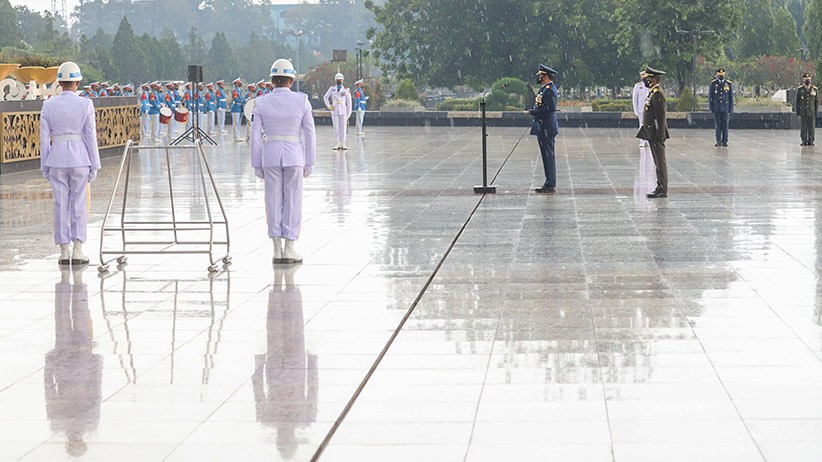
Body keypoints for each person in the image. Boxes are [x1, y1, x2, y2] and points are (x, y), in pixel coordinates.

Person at [250, 59, 316, 264]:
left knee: (272, 200)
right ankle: (290, 247)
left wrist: (257, 163)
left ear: (272, 80)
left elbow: (254, 135)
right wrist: (310, 161)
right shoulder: (302, 101)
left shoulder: (260, 102)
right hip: (294, 154)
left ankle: (276, 248)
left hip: (270, 154)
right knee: (293, 200)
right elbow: (310, 133)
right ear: (291, 79)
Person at [40, 62, 101, 265]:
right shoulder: (85, 104)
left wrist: (45, 165)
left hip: (56, 157)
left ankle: (63, 250)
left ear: (59, 82)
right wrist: (95, 164)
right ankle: (78, 248)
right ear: (76, 82)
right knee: (79, 203)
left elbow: (43, 138)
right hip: (80, 158)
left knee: (60, 203)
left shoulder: (48, 105)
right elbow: (90, 136)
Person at [636, 66, 670, 198]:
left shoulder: (657, 93)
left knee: (660, 162)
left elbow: (660, 116)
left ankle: (662, 188)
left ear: (653, 79)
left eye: (647, 78)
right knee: (657, 162)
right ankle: (659, 186)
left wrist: (660, 134)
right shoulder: (653, 92)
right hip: (652, 133)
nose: (645, 80)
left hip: (656, 134)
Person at [528, 64, 559, 194]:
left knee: (548, 156)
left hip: (546, 126)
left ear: (545, 76)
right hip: (542, 126)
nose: (539, 78)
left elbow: (550, 108)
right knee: (546, 156)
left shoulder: (549, 89)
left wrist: (536, 112)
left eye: (541, 76)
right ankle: (548, 181)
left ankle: (550, 183)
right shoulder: (544, 89)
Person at [323, 73, 352, 150]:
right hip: (335, 109)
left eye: (340, 79)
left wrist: (349, 112)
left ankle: (343, 143)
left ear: (343, 80)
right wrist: (329, 106)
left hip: (343, 110)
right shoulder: (332, 89)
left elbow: (349, 102)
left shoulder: (346, 90)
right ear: (335, 80)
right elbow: (325, 97)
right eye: (337, 79)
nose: (339, 81)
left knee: (343, 127)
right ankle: (337, 142)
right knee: (336, 126)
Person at [709, 68, 733, 147]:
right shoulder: (713, 84)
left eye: (722, 75)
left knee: (725, 125)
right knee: (718, 125)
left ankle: (725, 141)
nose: (721, 77)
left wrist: (730, 108)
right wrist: (711, 107)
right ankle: (718, 140)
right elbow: (711, 96)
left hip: (725, 107)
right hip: (717, 107)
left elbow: (730, 97)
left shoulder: (728, 83)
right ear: (717, 75)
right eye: (719, 75)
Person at [796, 72, 818, 146]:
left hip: (811, 111)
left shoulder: (814, 89)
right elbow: (797, 102)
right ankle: (804, 140)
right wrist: (798, 111)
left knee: (811, 127)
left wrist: (816, 111)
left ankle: (811, 140)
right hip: (803, 111)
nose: (807, 81)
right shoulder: (800, 89)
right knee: (803, 127)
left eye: (808, 79)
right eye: (806, 79)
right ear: (803, 80)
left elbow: (816, 102)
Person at [631, 70, 650, 147]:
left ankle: (648, 141)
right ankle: (642, 141)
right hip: (641, 109)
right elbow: (635, 99)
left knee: (649, 125)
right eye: (643, 76)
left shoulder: (650, 85)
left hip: (649, 109)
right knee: (641, 125)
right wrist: (635, 110)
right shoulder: (638, 86)